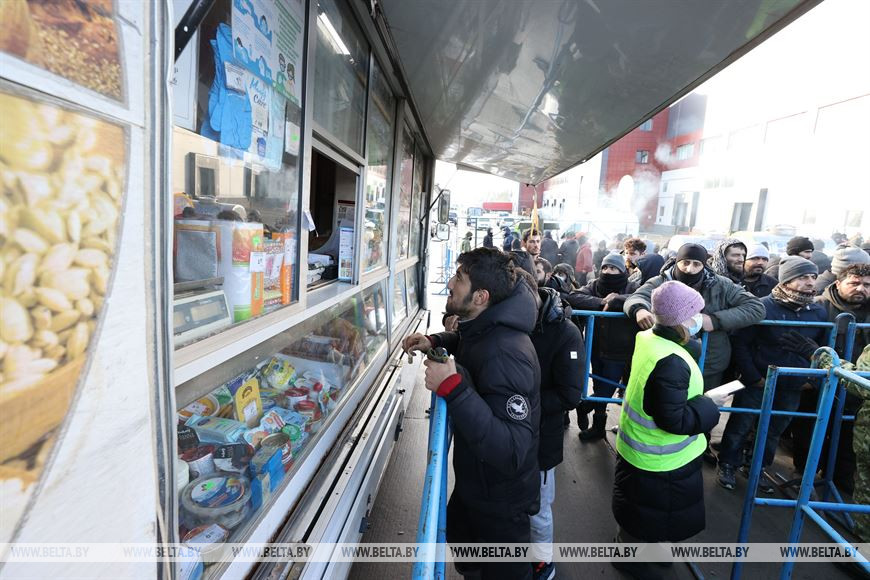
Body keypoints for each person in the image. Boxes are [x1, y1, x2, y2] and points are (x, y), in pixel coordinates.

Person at [403, 248, 540, 580]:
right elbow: (471, 343)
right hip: (477, 484)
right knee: (463, 543)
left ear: (481, 297)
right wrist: (436, 340)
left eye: (459, 278)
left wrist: (452, 386)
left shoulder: (507, 352)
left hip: (501, 501)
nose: (450, 283)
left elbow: (512, 450)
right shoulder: (486, 325)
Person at [611, 282, 725, 577]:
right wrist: (710, 405)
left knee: (646, 512)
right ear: (682, 319)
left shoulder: (649, 338)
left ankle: (643, 552)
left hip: (642, 449)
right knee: (645, 515)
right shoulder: (672, 361)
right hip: (661, 457)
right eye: (695, 312)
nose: (699, 317)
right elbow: (674, 420)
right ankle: (628, 560)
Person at [717, 257, 828, 493]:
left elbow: (823, 348)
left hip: (794, 385)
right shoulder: (763, 307)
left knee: (773, 431)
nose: (810, 282)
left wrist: (811, 379)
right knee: (741, 424)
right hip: (759, 380)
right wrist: (752, 376)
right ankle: (728, 463)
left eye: (813, 277)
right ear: (786, 280)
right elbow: (741, 343)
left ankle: (757, 468)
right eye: (802, 277)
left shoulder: (819, 312)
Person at [624, 243, 765, 391]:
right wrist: (639, 309)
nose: (690, 269)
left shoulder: (721, 284)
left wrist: (715, 320)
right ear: (677, 261)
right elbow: (638, 297)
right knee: (666, 400)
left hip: (709, 363)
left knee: (702, 402)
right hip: (664, 358)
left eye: (696, 264)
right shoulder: (661, 281)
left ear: (703, 265)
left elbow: (756, 307)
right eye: (685, 263)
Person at [521, 273, 584, 580]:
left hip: (541, 435)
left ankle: (543, 561)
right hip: (510, 433)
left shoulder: (565, 332)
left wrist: (518, 403)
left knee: (538, 508)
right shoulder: (512, 319)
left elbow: (570, 394)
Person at [572, 253, 640, 439]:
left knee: (608, 387)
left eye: (613, 268)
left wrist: (618, 299)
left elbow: (642, 298)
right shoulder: (594, 285)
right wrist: (602, 301)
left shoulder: (632, 287)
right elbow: (574, 296)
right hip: (596, 347)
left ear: (622, 270)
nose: (608, 271)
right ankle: (598, 427)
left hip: (620, 350)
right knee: (599, 385)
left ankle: (584, 406)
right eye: (605, 267)